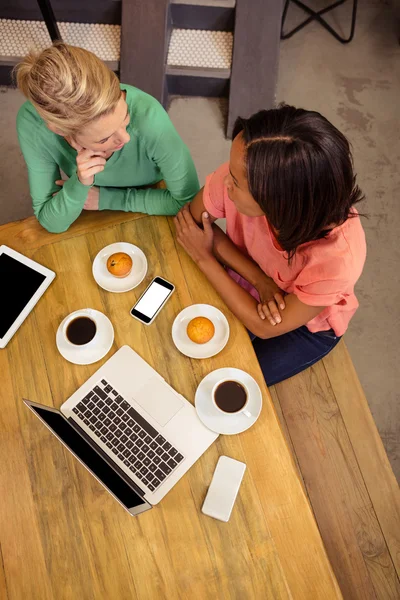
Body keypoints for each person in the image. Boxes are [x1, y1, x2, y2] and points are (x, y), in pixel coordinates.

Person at [174, 105, 366, 386]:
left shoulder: (337, 260)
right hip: (250, 278)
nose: (225, 181)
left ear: (279, 203)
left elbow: (264, 326)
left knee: (223, 379)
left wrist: (205, 257)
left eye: (236, 183)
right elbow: (193, 221)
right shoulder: (243, 170)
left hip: (307, 324)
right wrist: (259, 279)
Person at [15, 43, 199, 233]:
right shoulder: (32, 124)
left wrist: (106, 199)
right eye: (103, 139)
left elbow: (188, 202)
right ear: (60, 130)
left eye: (125, 116)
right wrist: (80, 182)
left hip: (148, 189)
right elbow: (52, 222)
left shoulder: (150, 118)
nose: (126, 138)